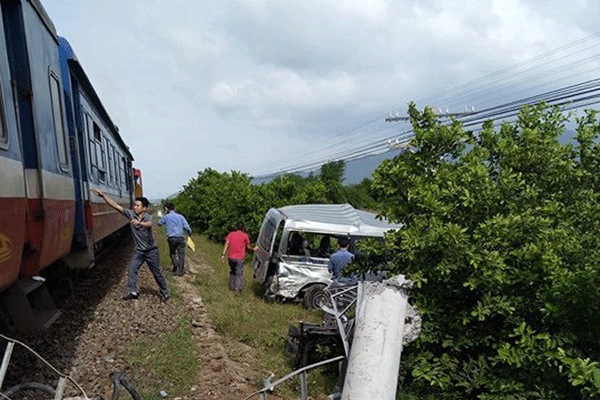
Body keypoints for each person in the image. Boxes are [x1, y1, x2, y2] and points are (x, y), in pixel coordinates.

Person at [92, 189, 169, 303]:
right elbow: (116, 206)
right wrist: (103, 196)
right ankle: (132, 292)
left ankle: (165, 292)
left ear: (144, 208)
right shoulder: (131, 214)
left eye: (138, 206)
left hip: (151, 250)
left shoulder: (148, 217)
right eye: (134, 205)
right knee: (132, 269)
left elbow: (150, 224)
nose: (135, 207)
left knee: (156, 272)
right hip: (139, 251)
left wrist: (140, 223)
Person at [220, 222, 258, 294]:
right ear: (243, 228)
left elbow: (226, 244)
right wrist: (254, 249)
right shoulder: (245, 236)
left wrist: (223, 254)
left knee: (232, 272)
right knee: (239, 274)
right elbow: (248, 247)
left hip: (231, 257)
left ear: (236, 228)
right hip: (240, 258)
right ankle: (237, 290)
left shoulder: (231, 234)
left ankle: (231, 288)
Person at [157, 202, 192, 276]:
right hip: (180, 238)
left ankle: (175, 264)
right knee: (181, 254)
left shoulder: (166, 217)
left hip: (171, 238)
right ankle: (180, 272)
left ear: (166, 209)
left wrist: (162, 216)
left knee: (172, 253)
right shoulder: (180, 216)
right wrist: (190, 234)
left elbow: (159, 223)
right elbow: (187, 227)